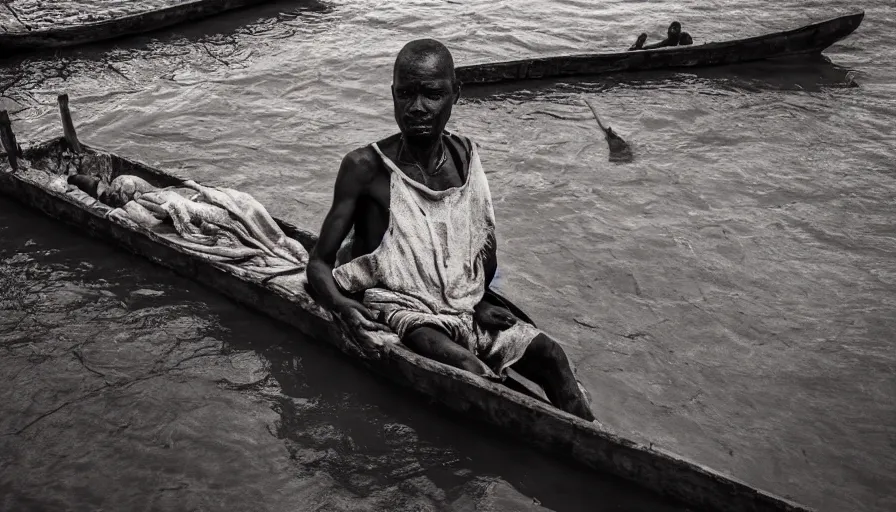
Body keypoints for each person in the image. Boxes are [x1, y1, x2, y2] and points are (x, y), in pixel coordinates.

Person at [306, 39, 596, 421]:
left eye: (432, 94)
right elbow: (318, 266)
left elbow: (481, 248)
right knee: (473, 373)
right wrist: (343, 308)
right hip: (403, 308)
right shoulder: (365, 167)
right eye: (406, 94)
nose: (417, 108)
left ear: (455, 94)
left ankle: (591, 432)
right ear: (392, 94)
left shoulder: (465, 157)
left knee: (552, 357)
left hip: (463, 303)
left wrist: (480, 302)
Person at [628, 21, 692, 51]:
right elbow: (671, 34)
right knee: (649, 48)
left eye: (675, 29)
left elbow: (690, 42)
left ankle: (638, 47)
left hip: (669, 43)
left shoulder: (683, 35)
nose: (673, 30)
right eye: (673, 28)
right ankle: (638, 46)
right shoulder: (675, 36)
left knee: (652, 47)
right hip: (667, 44)